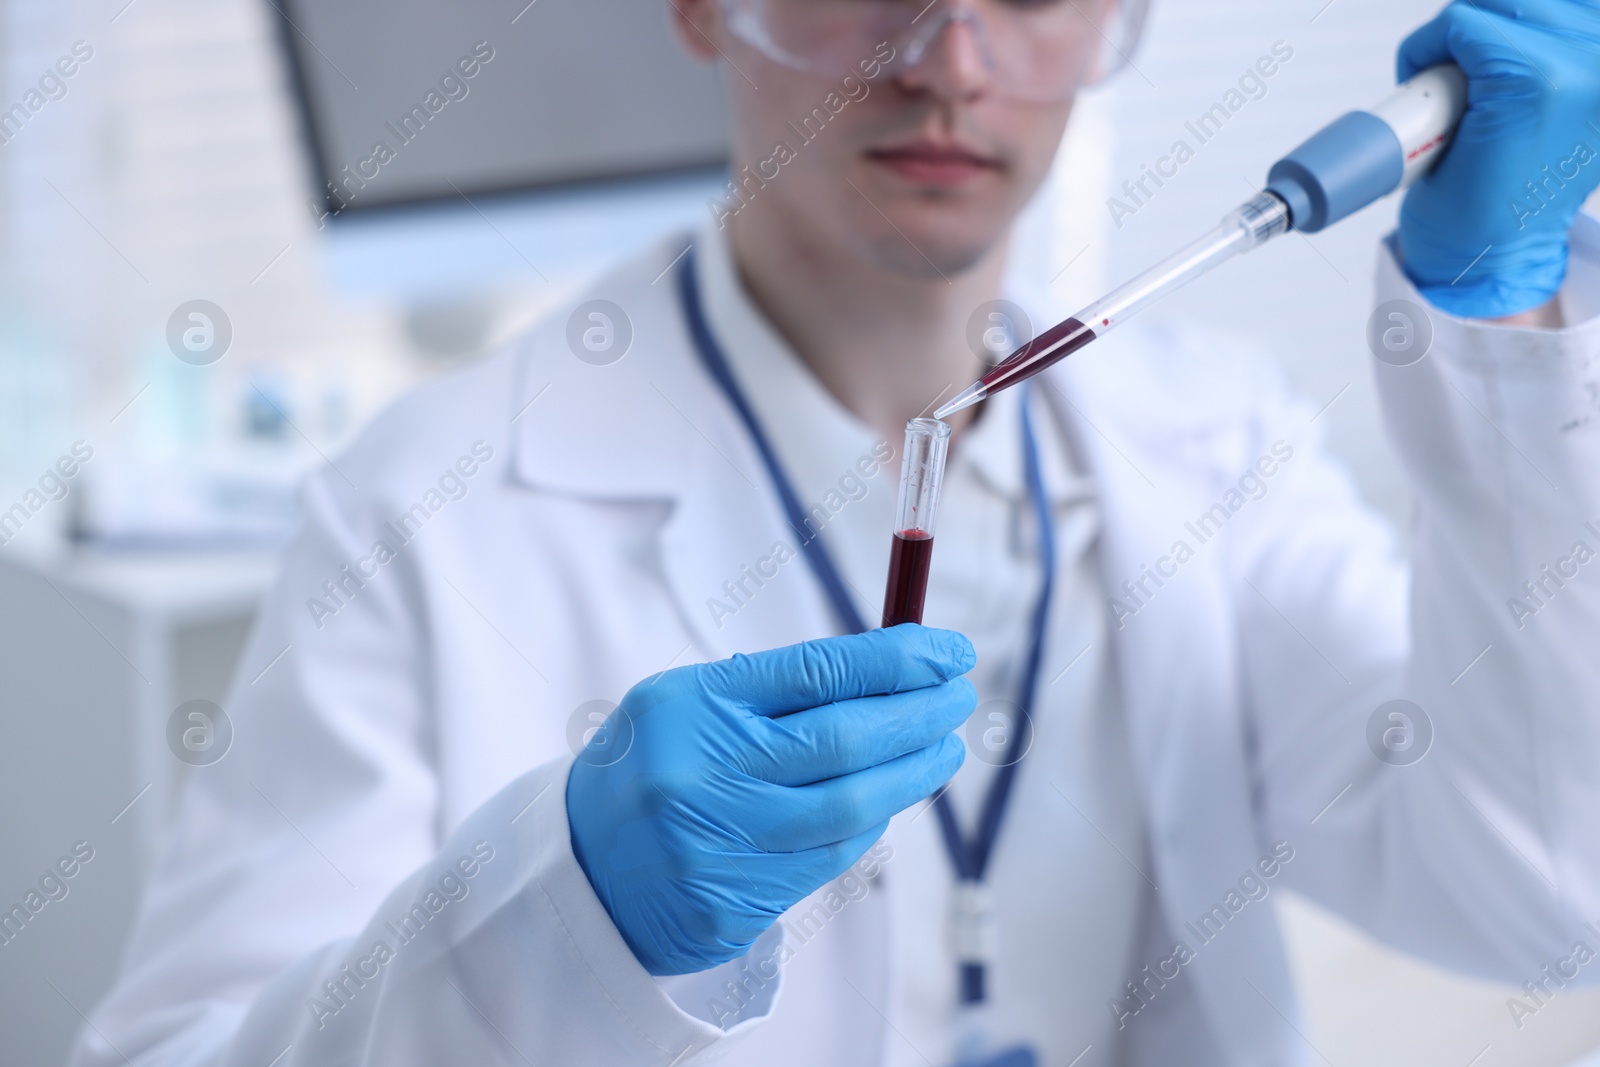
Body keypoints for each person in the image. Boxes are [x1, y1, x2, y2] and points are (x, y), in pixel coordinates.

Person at [73, 0, 1600, 1065]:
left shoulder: (1218, 449)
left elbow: (1545, 901)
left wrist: (1514, 339)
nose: (951, 60)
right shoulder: (423, 510)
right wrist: (565, 925)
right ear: (700, 4)